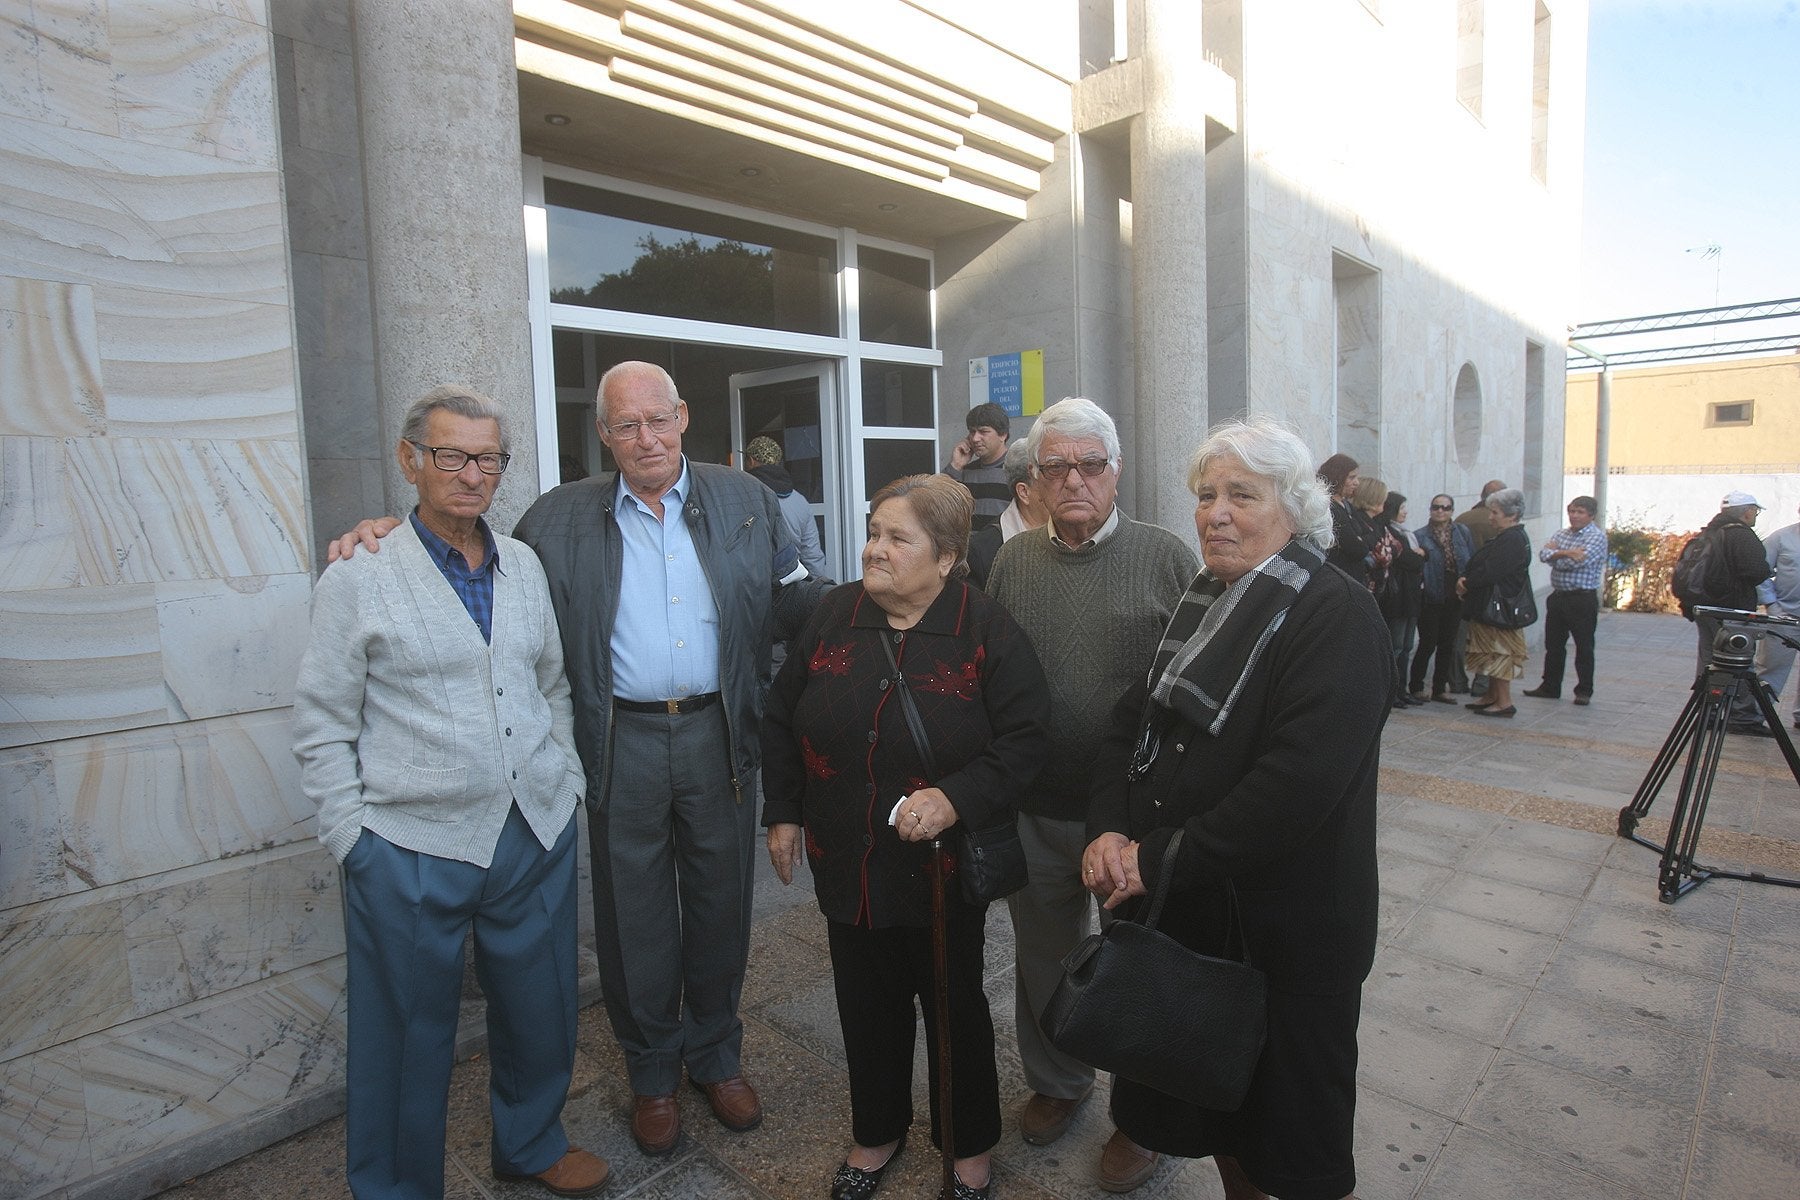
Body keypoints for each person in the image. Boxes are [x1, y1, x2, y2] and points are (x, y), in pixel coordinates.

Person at [327, 361, 826, 1159]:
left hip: (718, 733)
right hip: (617, 737)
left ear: (684, 416)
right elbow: (460, 551)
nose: (646, 438)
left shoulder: (746, 502)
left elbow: (798, 597)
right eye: (626, 425)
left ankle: (716, 1055)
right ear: (604, 435)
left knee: (722, 906)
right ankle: (653, 1073)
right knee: (633, 921)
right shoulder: (555, 520)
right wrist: (382, 531)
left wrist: (881, 588)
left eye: (658, 419)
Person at [293, 387, 609, 1199]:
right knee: (403, 1035)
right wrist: (353, 841)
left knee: (541, 1009)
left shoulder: (523, 564)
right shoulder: (360, 575)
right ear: (411, 461)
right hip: (408, 846)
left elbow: (553, 684)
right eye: (451, 456)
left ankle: (532, 1141)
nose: (473, 474)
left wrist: (564, 779)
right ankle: (397, 1186)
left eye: (488, 458)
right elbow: (324, 719)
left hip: (531, 831)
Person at [1082, 416, 1389, 1200]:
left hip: (1285, 933)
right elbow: (1131, 725)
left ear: (1294, 507)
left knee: (1286, 1132)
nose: (1214, 511)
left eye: (1240, 495)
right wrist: (1110, 827)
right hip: (1195, 919)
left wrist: (1153, 859)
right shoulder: (1204, 599)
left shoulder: (1336, 612)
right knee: (1211, 1104)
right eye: (1206, 494)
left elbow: (1295, 788)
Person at [763, 474, 1050, 1200]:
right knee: (865, 1002)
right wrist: (785, 812)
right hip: (846, 857)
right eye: (873, 532)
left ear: (947, 556)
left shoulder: (984, 628)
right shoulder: (834, 613)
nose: (875, 549)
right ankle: (877, 1131)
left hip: (939, 870)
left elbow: (1025, 741)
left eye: (898, 538)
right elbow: (778, 716)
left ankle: (968, 1144)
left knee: (953, 1005)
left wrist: (955, 798)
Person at [983, 397, 1198, 1194]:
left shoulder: (1169, 557)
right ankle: (1059, 1081)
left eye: (1090, 464)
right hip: (1038, 802)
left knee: (1139, 966)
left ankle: (1143, 1121)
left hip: (1132, 815)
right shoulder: (1012, 562)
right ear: (1034, 480)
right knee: (1043, 956)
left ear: (1116, 471)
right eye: (1056, 467)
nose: (1073, 479)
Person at [1687, 491, 1776, 735]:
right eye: (1755, 511)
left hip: (1705, 608)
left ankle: (1708, 714)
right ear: (1747, 511)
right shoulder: (1741, 534)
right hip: (1731, 610)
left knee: (1709, 662)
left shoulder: (1709, 531)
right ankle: (1742, 716)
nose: (1755, 515)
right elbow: (1756, 571)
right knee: (1738, 662)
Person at [1523, 496, 1607, 705]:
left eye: (1580, 512)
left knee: (1584, 645)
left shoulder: (1596, 537)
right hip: (1559, 596)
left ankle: (1584, 690)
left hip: (1582, 598)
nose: (1575, 516)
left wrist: (1557, 556)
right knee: (1553, 644)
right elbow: (1543, 555)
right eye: (1572, 511)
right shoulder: (1562, 533)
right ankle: (1550, 686)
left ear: (1591, 515)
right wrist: (1567, 553)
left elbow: (1576, 563)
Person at [1458, 488, 1533, 718]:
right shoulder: (1507, 536)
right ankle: (1491, 696)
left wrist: (1467, 583)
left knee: (1500, 654)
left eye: (1495, 513)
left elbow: (1492, 571)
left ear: (1511, 515)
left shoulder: (1512, 538)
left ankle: (1503, 701)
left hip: (1501, 609)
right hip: (1492, 607)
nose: (1491, 517)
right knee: (1490, 653)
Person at [1408, 494, 1474, 704]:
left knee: (1448, 643)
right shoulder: (1420, 535)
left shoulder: (1462, 533)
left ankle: (1439, 687)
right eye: (1436, 507)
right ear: (1430, 509)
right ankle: (1416, 686)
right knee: (1427, 642)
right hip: (1431, 596)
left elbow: (1471, 559)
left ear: (1452, 511)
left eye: (1445, 508)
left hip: (1455, 596)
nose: (1440, 511)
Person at [744, 433, 829, 578]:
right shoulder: (800, 501)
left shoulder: (743, 495)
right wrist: (818, 591)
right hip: (790, 587)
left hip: (753, 585)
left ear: (751, 461)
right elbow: (812, 555)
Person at [966, 438, 1048, 588]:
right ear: (1024, 492)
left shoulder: (1077, 533)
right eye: (1051, 475)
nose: (1069, 484)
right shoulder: (983, 551)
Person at [1453, 479, 1508, 696]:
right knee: (1487, 639)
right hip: (1487, 589)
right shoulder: (1500, 525)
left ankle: (1457, 681)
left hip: (1462, 584)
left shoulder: (1463, 518)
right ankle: (1482, 683)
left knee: (1460, 638)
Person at [1376, 490, 1426, 709]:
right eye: (1402, 507)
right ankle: (1393, 692)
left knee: (1406, 646)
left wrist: (1421, 556)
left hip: (1411, 596)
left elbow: (1423, 558)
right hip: (1397, 597)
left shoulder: (1405, 533)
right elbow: (1410, 560)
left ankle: (1402, 690)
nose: (1405, 512)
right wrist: (1419, 555)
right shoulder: (1390, 533)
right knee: (1396, 646)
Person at [1755, 501, 1800, 732]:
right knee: (1771, 669)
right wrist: (1771, 605)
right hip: (1785, 617)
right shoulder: (1781, 538)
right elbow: (1760, 572)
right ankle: (1755, 717)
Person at [942, 401, 1012, 531]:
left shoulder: (1016, 469)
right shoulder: (965, 471)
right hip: (970, 549)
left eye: (983, 431)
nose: (975, 438)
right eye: (972, 432)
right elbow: (938, 504)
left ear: (1003, 435)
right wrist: (956, 465)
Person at [1317, 453, 1375, 586]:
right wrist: (1360, 539)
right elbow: (1356, 549)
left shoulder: (1347, 505)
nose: (1357, 482)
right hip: (1340, 577)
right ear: (1337, 477)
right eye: (1352, 477)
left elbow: (1371, 533)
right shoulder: (1330, 508)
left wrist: (1362, 539)